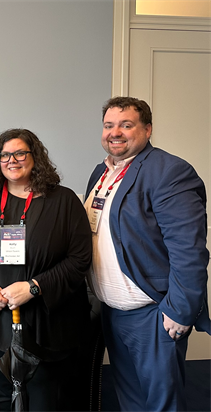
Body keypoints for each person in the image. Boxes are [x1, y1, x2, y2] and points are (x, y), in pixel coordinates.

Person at [84, 96, 211, 412]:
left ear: (147, 129)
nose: (116, 132)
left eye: (126, 125)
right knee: (131, 400)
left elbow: (190, 251)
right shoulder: (101, 173)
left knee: (161, 404)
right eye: (109, 125)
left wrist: (180, 312)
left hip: (153, 315)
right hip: (113, 312)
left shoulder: (169, 172)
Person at [0, 129, 92, 411]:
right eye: (4, 154)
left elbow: (80, 259)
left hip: (49, 323)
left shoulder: (64, 201)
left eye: (20, 153)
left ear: (35, 157)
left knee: (45, 399)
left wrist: (33, 287)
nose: (12, 160)